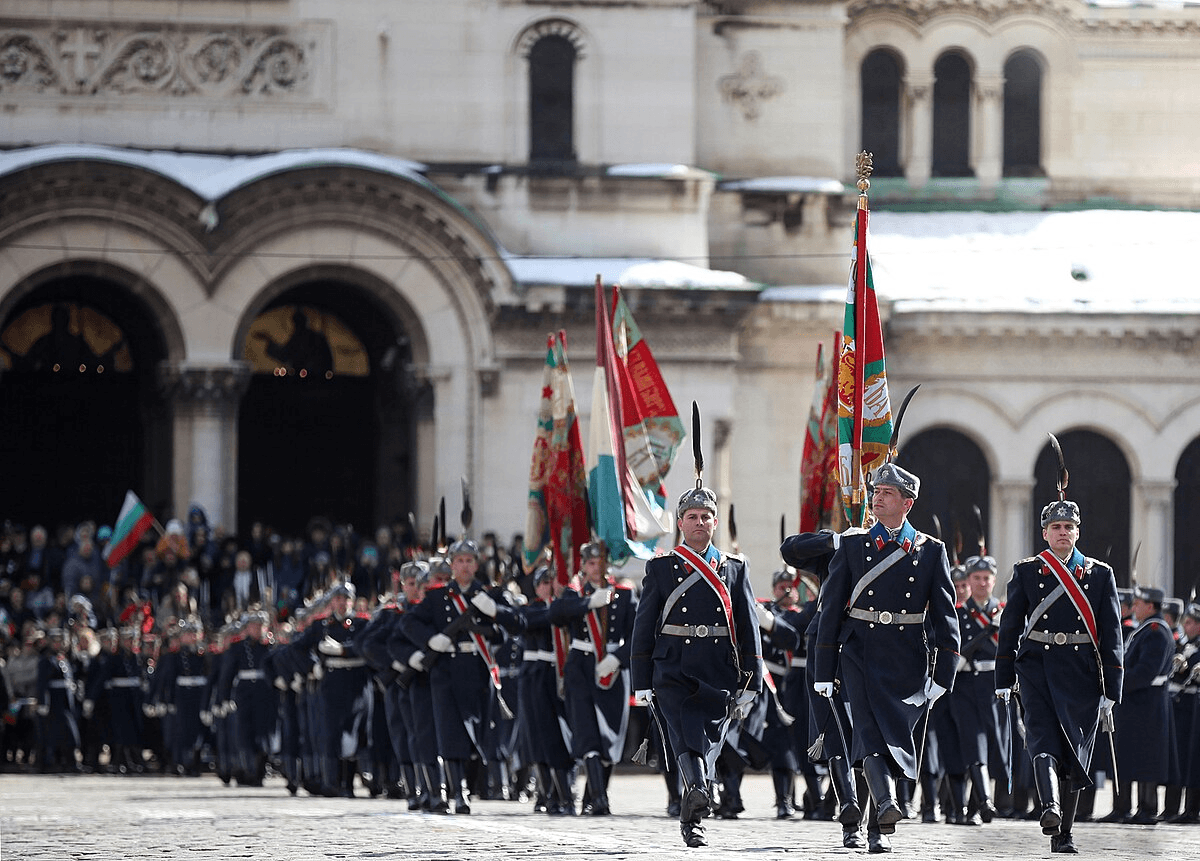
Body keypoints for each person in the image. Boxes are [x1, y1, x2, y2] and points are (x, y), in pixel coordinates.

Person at [813, 463, 961, 854]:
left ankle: (877, 827)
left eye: (887, 493)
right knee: (867, 730)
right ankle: (886, 804)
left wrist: (944, 672)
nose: (877, 497)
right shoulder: (853, 544)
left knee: (892, 735)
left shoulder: (931, 550)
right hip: (859, 651)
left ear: (907, 502)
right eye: (876, 491)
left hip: (906, 656)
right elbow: (830, 611)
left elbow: (946, 615)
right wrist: (824, 668)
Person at [630, 484, 762, 848]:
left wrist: (753, 680)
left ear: (715, 522)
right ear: (681, 523)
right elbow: (644, 626)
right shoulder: (660, 567)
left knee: (709, 741)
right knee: (684, 735)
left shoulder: (734, 567)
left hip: (718, 668)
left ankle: (694, 812)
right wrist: (641, 679)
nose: (700, 522)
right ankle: (701, 792)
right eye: (692, 517)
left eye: (706, 517)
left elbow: (749, 627)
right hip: (672, 666)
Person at [995, 497, 1124, 854]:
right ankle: (1049, 806)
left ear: (1077, 532)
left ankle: (1064, 833)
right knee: (1041, 737)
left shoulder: (1099, 574)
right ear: (1045, 533)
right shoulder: (1026, 571)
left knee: (1075, 751)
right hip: (1037, 665)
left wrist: (1113, 686)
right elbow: (1010, 629)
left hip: (1082, 672)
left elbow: (1112, 633)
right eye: (1056, 527)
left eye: (1068, 527)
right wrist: (1004, 678)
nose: (1062, 532)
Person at [549, 540, 637, 816]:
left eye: (600, 562)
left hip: (611, 668)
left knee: (609, 735)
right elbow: (556, 615)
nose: (595, 567)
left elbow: (638, 633)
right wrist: (588, 603)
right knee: (587, 733)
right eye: (589, 563)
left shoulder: (623, 594)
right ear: (582, 567)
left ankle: (593, 796)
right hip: (581, 668)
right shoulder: (574, 595)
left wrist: (618, 658)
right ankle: (599, 800)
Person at [1099, 584, 1175, 824]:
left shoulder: (1156, 631)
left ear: (1150, 606)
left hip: (1147, 705)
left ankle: (1147, 808)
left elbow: (1145, 672)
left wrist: (1117, 683)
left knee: (1146, 759)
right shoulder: (1144, 630)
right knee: (1126, 757)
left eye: (1138, 604)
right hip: (1134, 704)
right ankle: (1122, 807)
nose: (1134, 608)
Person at [949, 554, 1007, 825]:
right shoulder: (959, 614)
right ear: (968, 581)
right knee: (973, 743)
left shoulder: (1004, 613)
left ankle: (976, 806)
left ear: (994, 580)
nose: (982, 583)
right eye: (976, 578)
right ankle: (984, 801)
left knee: (995, 745)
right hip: (965, 684)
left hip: (995, 686)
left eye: (987, 578)